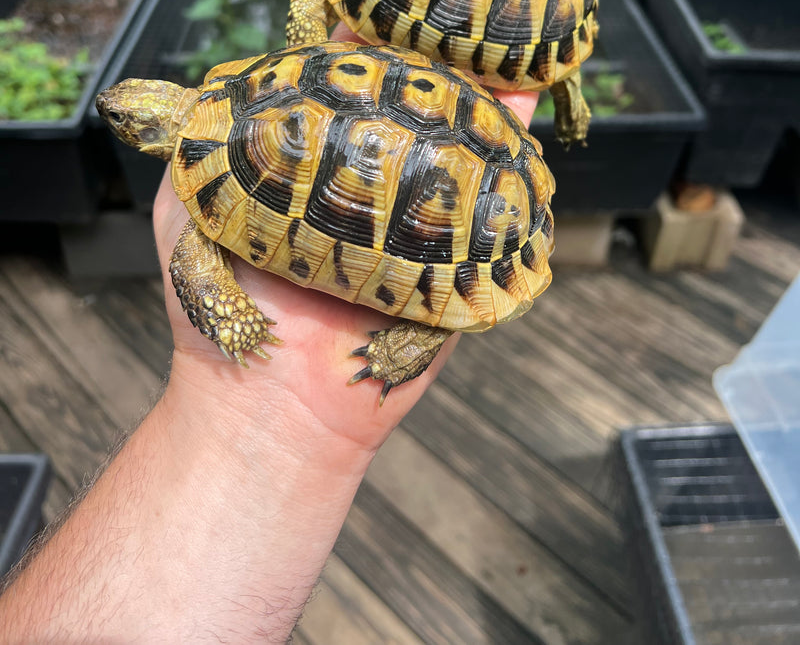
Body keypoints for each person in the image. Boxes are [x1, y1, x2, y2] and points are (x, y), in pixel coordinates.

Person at [0, 38, 538, 645]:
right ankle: (422, 325)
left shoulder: (213, 167)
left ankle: (416, 335)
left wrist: (233, 323)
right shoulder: (259, 79)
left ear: (156, 130)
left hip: (452, 213)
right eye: (125, 118)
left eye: (128, 120)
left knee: (197, 256)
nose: (119, 120)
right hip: (470, 154)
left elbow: (196, 259)